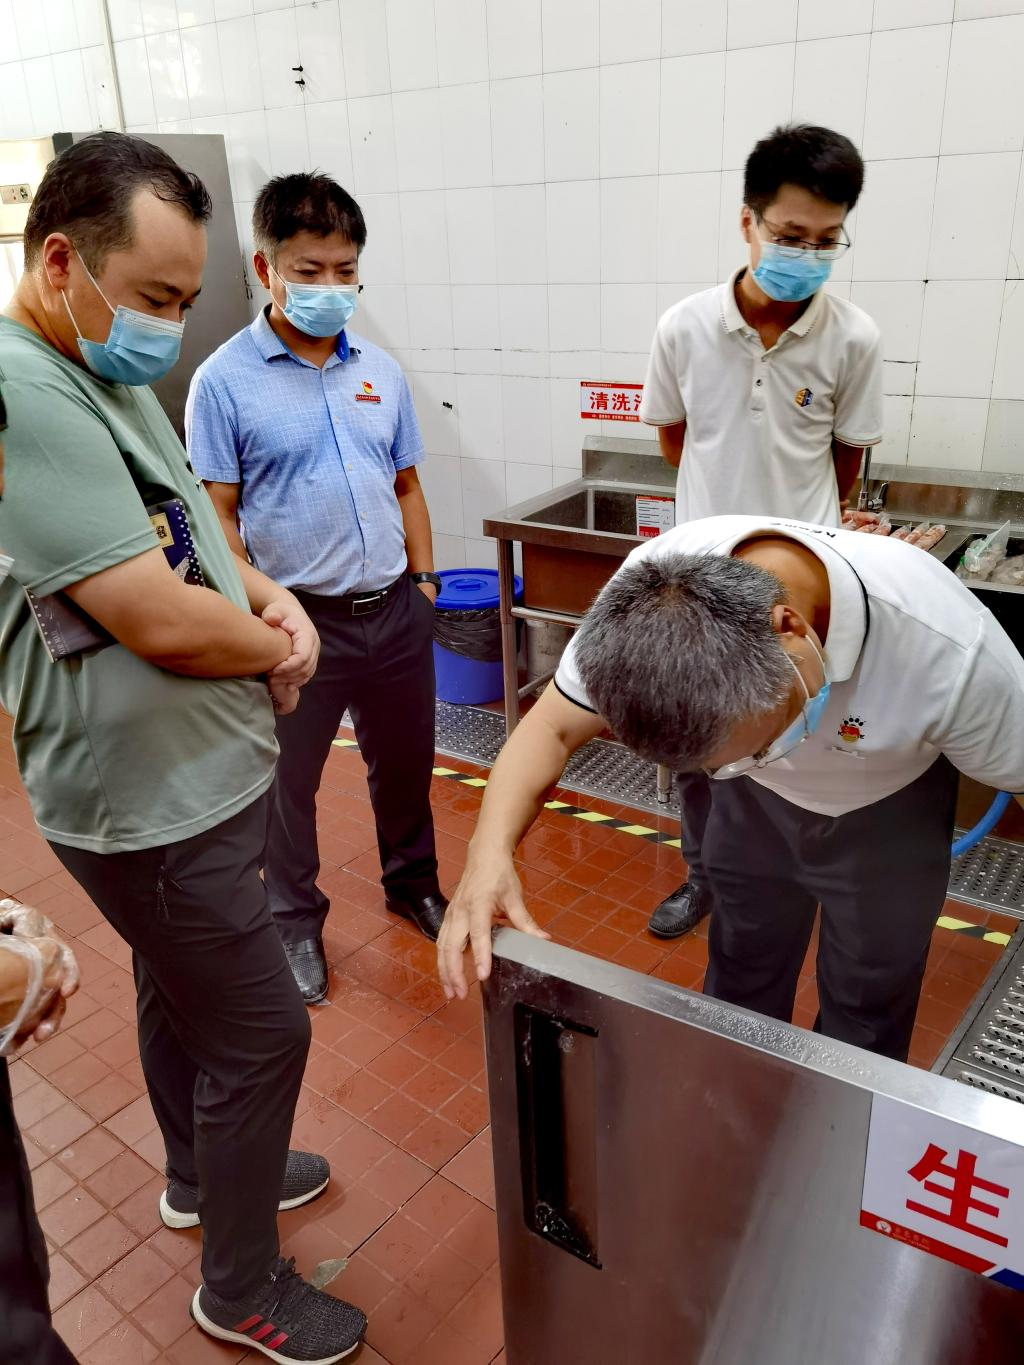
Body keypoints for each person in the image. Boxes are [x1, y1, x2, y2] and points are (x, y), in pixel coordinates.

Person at [0, 133, 365, 1362]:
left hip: (193, 787)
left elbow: (189, 545)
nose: (166, 323)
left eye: (182, 297)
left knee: (178, 983)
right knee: (263, 1032)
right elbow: (152, 614)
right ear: (63, 262)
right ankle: (241, 1288)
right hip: (142, 805)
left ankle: (202, 1176)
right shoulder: (20, 390)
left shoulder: (95, 376)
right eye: (153, 296)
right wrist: (280, 654)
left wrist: (270, 596)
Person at [437, 514, 1024, 1064]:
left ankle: (844, 1122)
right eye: (714, 765)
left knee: (869, 1001)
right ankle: (741, 1096)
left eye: (763, 744)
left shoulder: (951, 651)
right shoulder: (650, 596)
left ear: (790, 632)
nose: (750, 761)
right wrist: (487, 852)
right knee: (742, 970)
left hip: (890, 816)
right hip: (753, 809)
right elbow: (551, 726)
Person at [186, 172, 445, 1006]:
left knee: (404, 765)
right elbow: (217, 518)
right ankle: (294, 918)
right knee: (287, 788)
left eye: (346, 270)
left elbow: (407, 484)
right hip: (299, 624)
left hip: (395, 612)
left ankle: (413, 884)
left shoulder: (382, 372)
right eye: (310, 270)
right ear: (266, 269)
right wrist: (262, 615)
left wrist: (425, 584)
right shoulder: (223, 381)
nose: (331, 287)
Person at [638, 125, 883, 940]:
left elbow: (846, 458)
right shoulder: (683, 327)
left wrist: (797, 531)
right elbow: (677, 440)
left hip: (804, 586)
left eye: (826, 240)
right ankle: (702, 877)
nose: (806, 255)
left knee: (798, 738)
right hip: (702, 581)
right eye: (790, 235)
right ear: (748, 221)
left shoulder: (854, 339)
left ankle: (781, 888)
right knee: (699, 746)